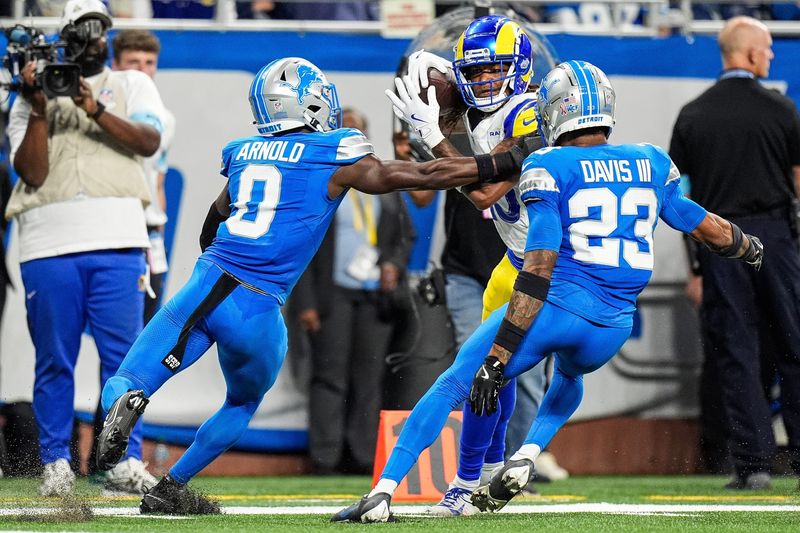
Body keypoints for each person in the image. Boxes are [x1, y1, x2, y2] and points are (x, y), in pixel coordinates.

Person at [94, 56, 530, 515]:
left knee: (127, 377)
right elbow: (419, 176)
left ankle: (129, 403)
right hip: (258, 308)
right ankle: (171, 487)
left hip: (206, 283)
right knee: (242, 402)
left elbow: (214, 219)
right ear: (309, 102)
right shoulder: (334, 150)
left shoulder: (241, 152)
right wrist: (502, 160)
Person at [332, 60, 764, 523]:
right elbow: (707, 228)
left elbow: (537, 270)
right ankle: (528, 452)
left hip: (554, 305)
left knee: (458, 380)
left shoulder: (548, 164)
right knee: (569, 378)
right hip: (613, 326)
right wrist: (749, 246)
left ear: (555, 110)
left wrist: (498, 357)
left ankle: (385, 490)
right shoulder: (652, 161)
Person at [388, 15, 555, 516]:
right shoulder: (478, 110)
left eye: (494, 70)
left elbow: (483, 190)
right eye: (474, 72)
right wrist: (436, 108)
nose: (483, 80)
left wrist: (431, 136)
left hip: (552, 266)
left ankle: (466, 483)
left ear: (519, 67)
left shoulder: (530, 112)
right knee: (489, 375)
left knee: (486, 371)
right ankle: (486, 473)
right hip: (513, 260)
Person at [6, 0, 165, 497]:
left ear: (109, 39)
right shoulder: (28, 97)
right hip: (48, 239)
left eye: (99, 31)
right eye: (81, 31)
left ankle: (121, 459)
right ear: (65, 38)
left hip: (118, 238)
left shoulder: (132, 84)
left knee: (126, 361)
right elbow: (30, 172)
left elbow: (148, 141)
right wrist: (37, 105)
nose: (92, 39)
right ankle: (56, 462)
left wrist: (91, 106)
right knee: (55, 359)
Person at [669, 16, 800, 490]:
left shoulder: (692, 115)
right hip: (778, 242)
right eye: (766, 49)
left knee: (735, 353)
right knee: (794, 346)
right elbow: (798, 184)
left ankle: (753, 466)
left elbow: (681, 203)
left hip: (721, 244)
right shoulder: (781, 109)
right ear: (747, 53)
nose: (770, 56)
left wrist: (696, 268)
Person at [292, 108, 413, 475]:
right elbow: (300, 247)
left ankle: (362, 456)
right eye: (344, 130)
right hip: (332, 294)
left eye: (357, 129)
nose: (350, 135)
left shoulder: (380, 183)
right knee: (330, 376)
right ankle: (325, 456)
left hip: (375, 294)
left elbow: (403, 235)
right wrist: (305, 302)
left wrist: (392, 263)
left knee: (369, 377)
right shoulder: (321, 182)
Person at [111, 29, 177, 323]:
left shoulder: (166, 118)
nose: (143, 70)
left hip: (148, 234)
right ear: (115, 64)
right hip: (113, 230)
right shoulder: (105, 113)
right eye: (133, 61)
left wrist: (157, 238)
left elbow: (158, 181)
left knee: (142, 331)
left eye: (149, 62)